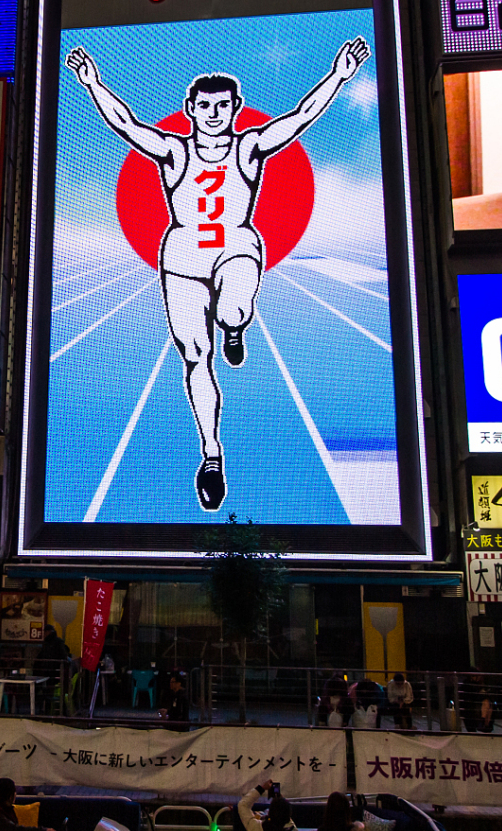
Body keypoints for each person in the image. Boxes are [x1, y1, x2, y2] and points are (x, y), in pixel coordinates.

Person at [66, 37, 370, 510]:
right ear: (190, 109)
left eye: (222, 105)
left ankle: (234, 325)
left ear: (235, 109)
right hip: (183, 258)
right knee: (194, 355)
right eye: (204, 105)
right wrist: (92, 84)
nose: (212, 113)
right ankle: (211, 453)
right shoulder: (173, 152)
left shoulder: (249, 148)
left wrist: (338, 75)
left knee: (233, 306)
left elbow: (300, 118)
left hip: (236, 246)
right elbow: (125, 124)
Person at [237, 781, 301, 831]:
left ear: (269, 813)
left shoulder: (256, 828)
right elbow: (287, 819)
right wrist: (279, 800)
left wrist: (261, 788)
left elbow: (243, 805)